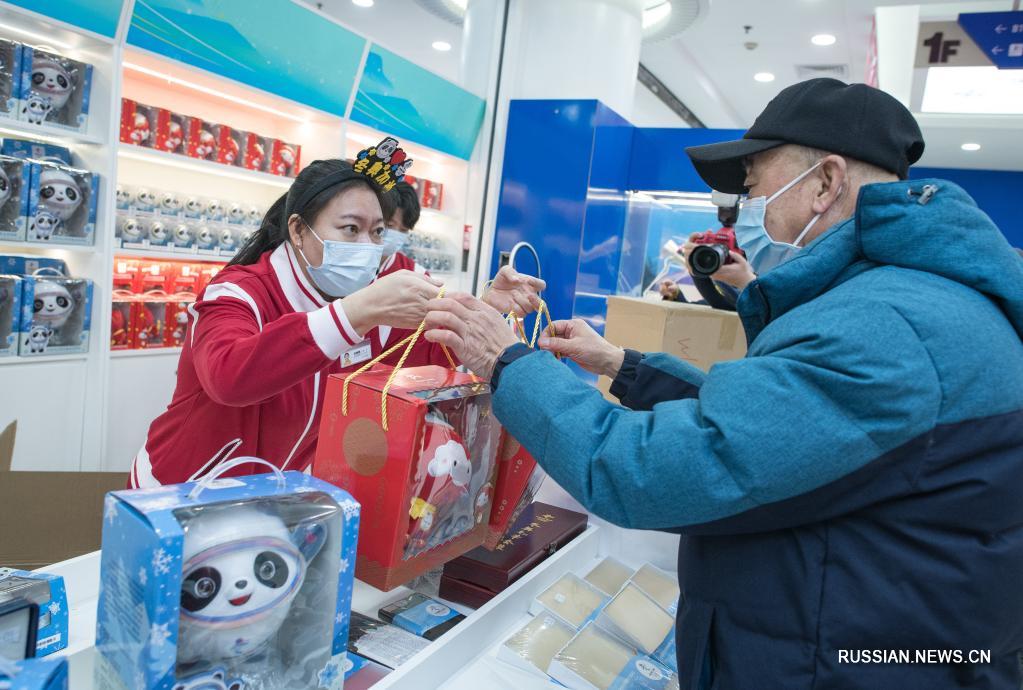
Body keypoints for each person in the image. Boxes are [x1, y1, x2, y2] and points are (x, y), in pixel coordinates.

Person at [423, 79, 1023, 688]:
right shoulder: (908, 301)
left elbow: (643, 471)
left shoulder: (883, 327)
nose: (745, 212)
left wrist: (508, 363)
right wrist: (619, 364)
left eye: (755, 186)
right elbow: (775, 428)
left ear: (825, 182)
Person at [130, 158, 542, 488]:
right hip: (182, 492)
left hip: (277, 493)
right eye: (350, 229)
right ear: (298, 230)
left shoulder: (371, 302)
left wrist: (485, 308)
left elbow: (430, 352)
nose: (367, 247)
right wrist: (354, 314)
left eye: (377, 232)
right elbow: (230, 376)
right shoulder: (237, 294)